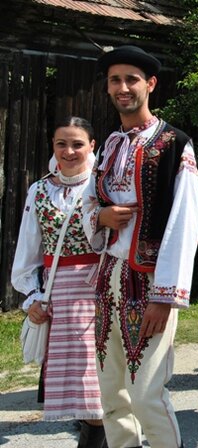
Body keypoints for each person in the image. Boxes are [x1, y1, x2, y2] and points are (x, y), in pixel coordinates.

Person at [82, 45, 198, 448]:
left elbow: (184, 224)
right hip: (108, 278)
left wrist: (165, 296)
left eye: (131, 79)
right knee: (111, 394)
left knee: (147, 394)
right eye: (115, 80)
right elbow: (88, 204)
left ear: (150, 84)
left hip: (149, 282)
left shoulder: (175, 144)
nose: (123, 87)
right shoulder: (110, 144)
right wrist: (101, 217)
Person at [12, 117, 105, 448]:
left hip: (101, 291)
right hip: (59, 297)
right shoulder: (40, 190)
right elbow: (28, 251)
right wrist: (33, 297)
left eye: (78, 144)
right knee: (82, 391)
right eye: (61, 144)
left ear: (92, 145)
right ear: (52, 146)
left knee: (95, 388)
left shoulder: (104, 186)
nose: (69, 151)